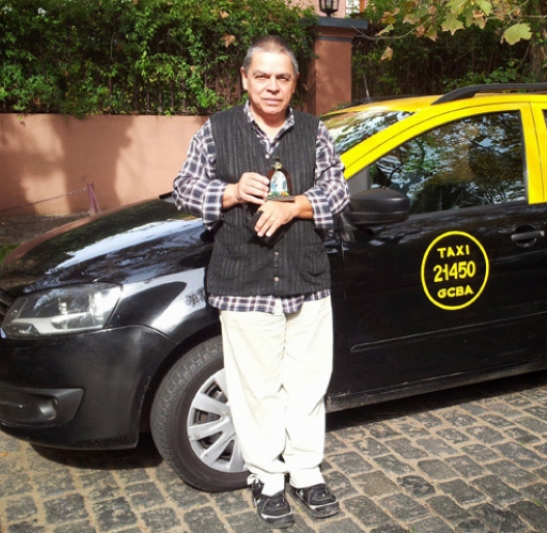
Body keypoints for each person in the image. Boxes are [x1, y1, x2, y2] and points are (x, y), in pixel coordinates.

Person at [173, 35, 349, 529]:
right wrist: (228, 192)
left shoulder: (314, 131)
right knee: (257, 390)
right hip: (243, 280)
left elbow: (337, 190)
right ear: (246, 79)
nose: (273, 86)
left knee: (308, 385)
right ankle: (267, 479)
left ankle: (307, 472)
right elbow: (184, 187)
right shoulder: (217, 130)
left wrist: (296, 205)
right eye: (263, 76)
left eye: (283, 77)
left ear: (295, 84)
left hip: (306, 277)